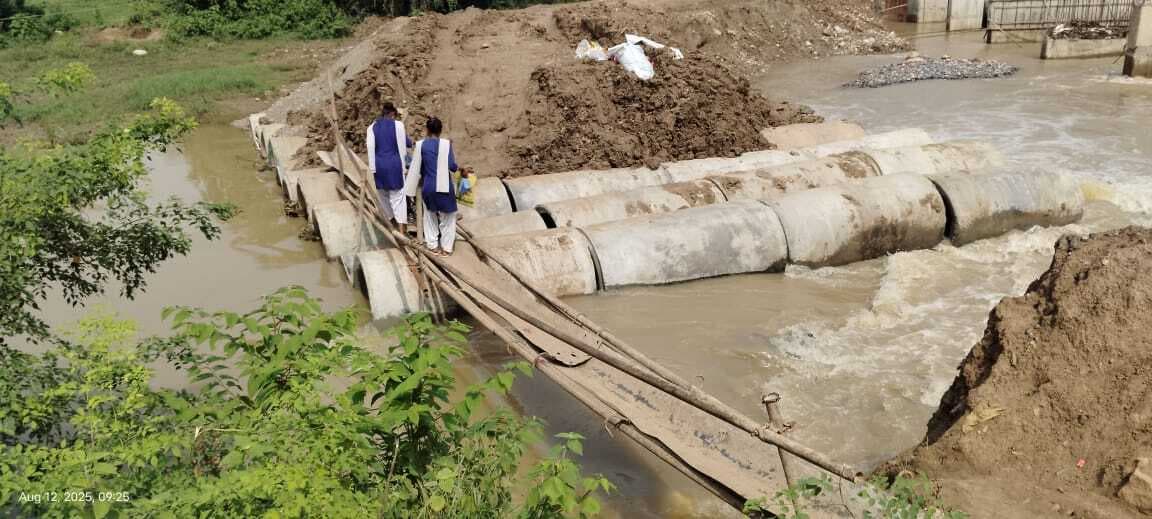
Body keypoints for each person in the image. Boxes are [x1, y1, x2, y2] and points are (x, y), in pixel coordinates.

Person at [403, 117, 460, 256]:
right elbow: (452, 167)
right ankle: (446, 249)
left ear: (427, 130)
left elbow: (417, 167)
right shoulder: (446, 144)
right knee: (448, 217)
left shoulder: (421, 145)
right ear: (440, 130)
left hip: (428, 186)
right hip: (445, 186)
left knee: (429, 216)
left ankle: (433, 246)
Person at [366, 102, 412, 231]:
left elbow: (370, 147)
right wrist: (404, 167)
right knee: (399, 199)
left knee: (383, 196)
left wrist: (372, 168)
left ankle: (391, 226)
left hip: (379, 166)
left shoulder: (372, 127)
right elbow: (406, 145)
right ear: (392, 113)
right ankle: (402, 231)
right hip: (394, 165)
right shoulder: (398, 125)